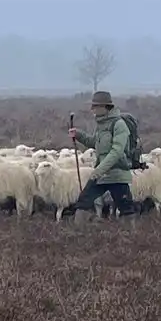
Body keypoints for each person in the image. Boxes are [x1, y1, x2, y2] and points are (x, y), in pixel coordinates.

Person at [66, 90, 136, 222]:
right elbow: (95, 143)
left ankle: (131, 237)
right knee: (83, 202)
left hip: (117, 174)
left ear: (105, 107)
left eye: (95, 106)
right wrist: (79, 135)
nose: (92, 109)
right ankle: (80, 234)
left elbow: (117, 151)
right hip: (101, 175)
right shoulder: (101, 125)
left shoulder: (119, 125)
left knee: (125, 207)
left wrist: (99, 170)